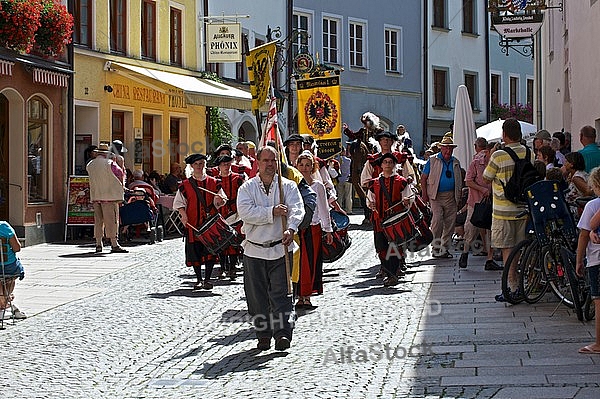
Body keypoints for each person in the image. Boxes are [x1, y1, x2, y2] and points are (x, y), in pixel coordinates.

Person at [236, 146, 304, 351]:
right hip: (254, 250)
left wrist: (291, 228)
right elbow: (246, 212)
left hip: (280, 249)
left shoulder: (288, 186)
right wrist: (271, 212)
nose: (269, 165)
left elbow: (297, 210)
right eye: (265, 160)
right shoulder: (247, 188)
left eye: (273, 161)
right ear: (257, 162)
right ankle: (263, 334)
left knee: (282, 293)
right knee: (257, 296)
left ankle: (283, 334)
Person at [483, 118, 533, 301]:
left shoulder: (498, 155)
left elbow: (486, 178)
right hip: (523, 208)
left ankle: (511, 287)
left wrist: (493, 155)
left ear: (504, 134)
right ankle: (519, 285)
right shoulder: (529, 153)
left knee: (507, 249)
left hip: (503, 210)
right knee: (519, 248)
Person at [174, 154, 226, 290]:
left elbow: (220, 200)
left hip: (210, 223)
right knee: (195, 251)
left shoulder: (214, 182)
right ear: (191, 166)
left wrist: (220, 200)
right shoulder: (185, 185)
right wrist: (183, 214)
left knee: (210, 251)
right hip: (193, 223)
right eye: (196, 164)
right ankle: (198, 279)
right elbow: (179, 203)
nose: (199, 166)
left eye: (202, 163)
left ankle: (207, 279)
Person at [366, 153, 414, 286]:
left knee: (395, 247)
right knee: (381, 247)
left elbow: (410, 197)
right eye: (385, 162)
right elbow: (369, 200)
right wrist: (371, 204)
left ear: (394, 164)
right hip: (379, 220)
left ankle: (393, 274)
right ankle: (387, 271)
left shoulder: (401, 181)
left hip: (396, 221)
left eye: (390, 162)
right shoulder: (374, 183)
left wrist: (406, 201)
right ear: (381, 165)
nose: (387, 164)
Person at [295, 151, 333, 307]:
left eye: (307, 165)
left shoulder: (317, 186)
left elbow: (323, 208)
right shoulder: (292, 184)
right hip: (296, 228)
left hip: (313, 228)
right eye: (301, 165)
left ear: (313, 167)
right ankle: (298, 295)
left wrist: (328, 229)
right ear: (296, 166)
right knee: (297, 262)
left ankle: (308, 295)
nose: (304, 168)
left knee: (311, 260)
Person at [459, 137, 501, 270]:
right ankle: (465, 252)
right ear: (487, 151)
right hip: (476, 201)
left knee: (491, 230)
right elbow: (468, 181)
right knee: (471, 228)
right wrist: (482, 189)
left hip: (493, 202)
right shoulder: (477, 162)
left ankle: (490, 258)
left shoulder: (499, 162)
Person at [420, 136, 463, 258]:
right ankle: (435, 247)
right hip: (436, 196)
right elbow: (423, 178)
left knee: (450, 224)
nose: (448, 151)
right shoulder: (433, 160)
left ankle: (444, 249)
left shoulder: (455, 162)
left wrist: (458, 196)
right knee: (437, 221)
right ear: (441, 148)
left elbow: (459, 180)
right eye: (446, 148)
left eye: (450, 149)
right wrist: (424, 194)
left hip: (451, 196)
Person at [86, 143, 128, 254]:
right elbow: (120, 175)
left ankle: (98, 243)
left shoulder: (90, 164)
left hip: (96, 195)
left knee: (98, 221)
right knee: (112, 221)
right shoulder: (110, 164)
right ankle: (114, 243)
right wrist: (121, 165)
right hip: (109, 196)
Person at [575, 167, 600, 355]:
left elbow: (584, 233)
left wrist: (578, 260)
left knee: (599, 301)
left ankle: (599, 343)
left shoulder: (593, 205)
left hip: (597, 259)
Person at [214, 154, 246, 280]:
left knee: (234, 241)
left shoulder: (238, 178)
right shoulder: (215, 181)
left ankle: (232, 268)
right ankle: (223, 267)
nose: (226, 167)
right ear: (219, 166)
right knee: (222, 242)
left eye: (228, 164)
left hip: (236, 214)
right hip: (220, 214)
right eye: (223, 165)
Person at [0, 220, 26, 320]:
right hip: (9, 265)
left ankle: (2, 301)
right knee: (14, 270)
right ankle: (6, 300)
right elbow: (17, 248)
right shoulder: (4, 226)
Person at [563, 152, 593, 220]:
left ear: (572, 164)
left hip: (576, 209)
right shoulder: (578, 174)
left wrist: (581, 201)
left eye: (566, 161)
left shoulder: (576, 178)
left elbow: (588, 191)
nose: (564, 164)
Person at [334, 147, 353, 214]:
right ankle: (349, 210)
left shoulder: (336, 160)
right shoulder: (349, 160)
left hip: (339, 179)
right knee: (348, 196)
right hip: (347, 179)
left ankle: (339, 209)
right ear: (343, 152)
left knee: (339, 195)